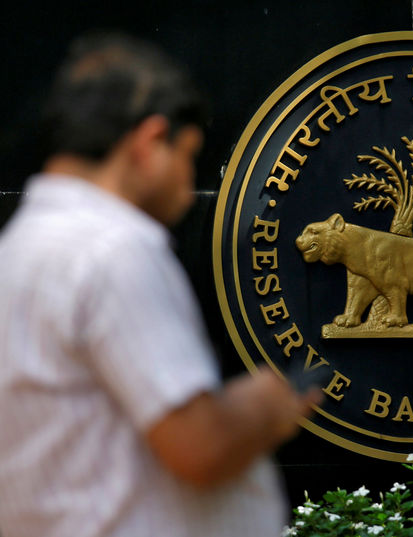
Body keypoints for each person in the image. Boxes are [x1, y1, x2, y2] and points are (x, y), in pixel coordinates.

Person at [0, 33, 320, 537]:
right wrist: (267, 402)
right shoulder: (113, 251)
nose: (187, 185)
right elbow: (200, 446)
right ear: (149, 143)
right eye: (188, 154)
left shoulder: (18, 248)